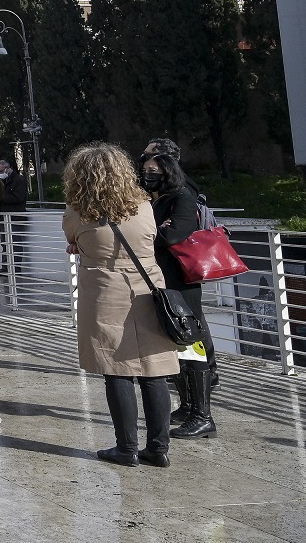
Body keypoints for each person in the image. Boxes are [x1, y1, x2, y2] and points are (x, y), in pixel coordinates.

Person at [64, 142, 178, 467]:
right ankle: (158, 448)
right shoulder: (143, 206)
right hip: (149, 288)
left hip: (105, 291)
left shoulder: (77, 212)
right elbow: (150, 238)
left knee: (116, 369)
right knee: (154, 369)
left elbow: (72, 238)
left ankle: (126, 448)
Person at [141, 142, 217, 440]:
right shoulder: (158, 200)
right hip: (166, 283)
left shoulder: (182, 197)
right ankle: (187, 406)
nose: (147, 174)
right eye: (146, 170)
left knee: (191, 345)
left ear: (167, 171)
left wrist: (154, 231)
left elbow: (174, 235)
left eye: (154, 170)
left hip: (182, 286)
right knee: (178, 346)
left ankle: (203, 415)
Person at [0, 156, 29, 277]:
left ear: (8, 168)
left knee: (15, 243)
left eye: (1, 171)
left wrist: (0, 196)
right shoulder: (2, 181)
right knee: (5, 243)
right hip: (4, 216)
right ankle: (6, 267)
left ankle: (15, 268)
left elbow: (18, 198)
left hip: (15, 216)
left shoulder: (18, 180)